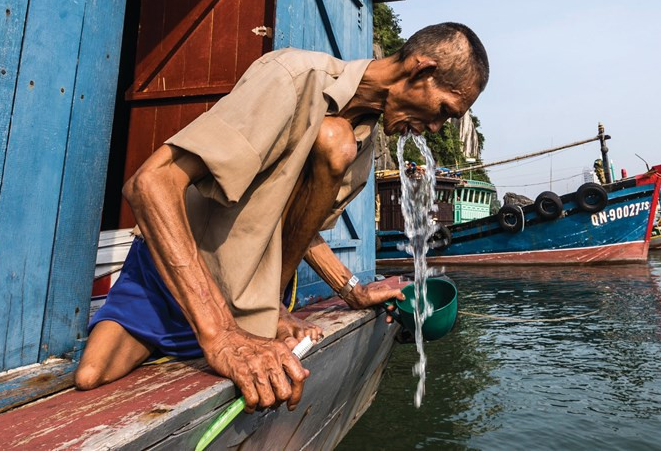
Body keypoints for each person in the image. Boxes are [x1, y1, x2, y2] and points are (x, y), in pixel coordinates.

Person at [74, 23, 489, 413]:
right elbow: (151, 183)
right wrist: (220, 335)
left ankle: (242, 321)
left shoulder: (359, 151)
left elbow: (302, 230)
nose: (436, 128)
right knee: (91, 376)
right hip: (176, 273)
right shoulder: (291, 78)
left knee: (336, 141)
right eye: (444, 110)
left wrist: (352, 290)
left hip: (243, 302)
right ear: (423, 70)